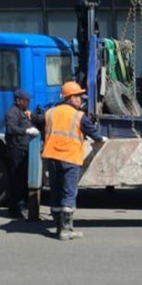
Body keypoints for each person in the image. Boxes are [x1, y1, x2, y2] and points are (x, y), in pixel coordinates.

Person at [42, 81, 106, 240]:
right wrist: (101, 138)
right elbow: (92, 132)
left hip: (52, 157)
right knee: (69, 193)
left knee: (56, 192)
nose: (81, 99)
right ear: (69, 97)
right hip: (69, 158)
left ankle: (58, 227)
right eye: (78, 96)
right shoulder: (78, 115)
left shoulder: (50, 112)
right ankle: (66, 230)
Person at [4, 89, 38, 218]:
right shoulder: (12, 112)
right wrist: (26, 131)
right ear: (19, 101)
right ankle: (15, 209)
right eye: (26, 100)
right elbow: (11, 128)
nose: (28, 103)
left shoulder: (24, 112)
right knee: (16, 180)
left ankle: (21, 206)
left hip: (24, 149)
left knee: (23, 180)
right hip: (16, 150)